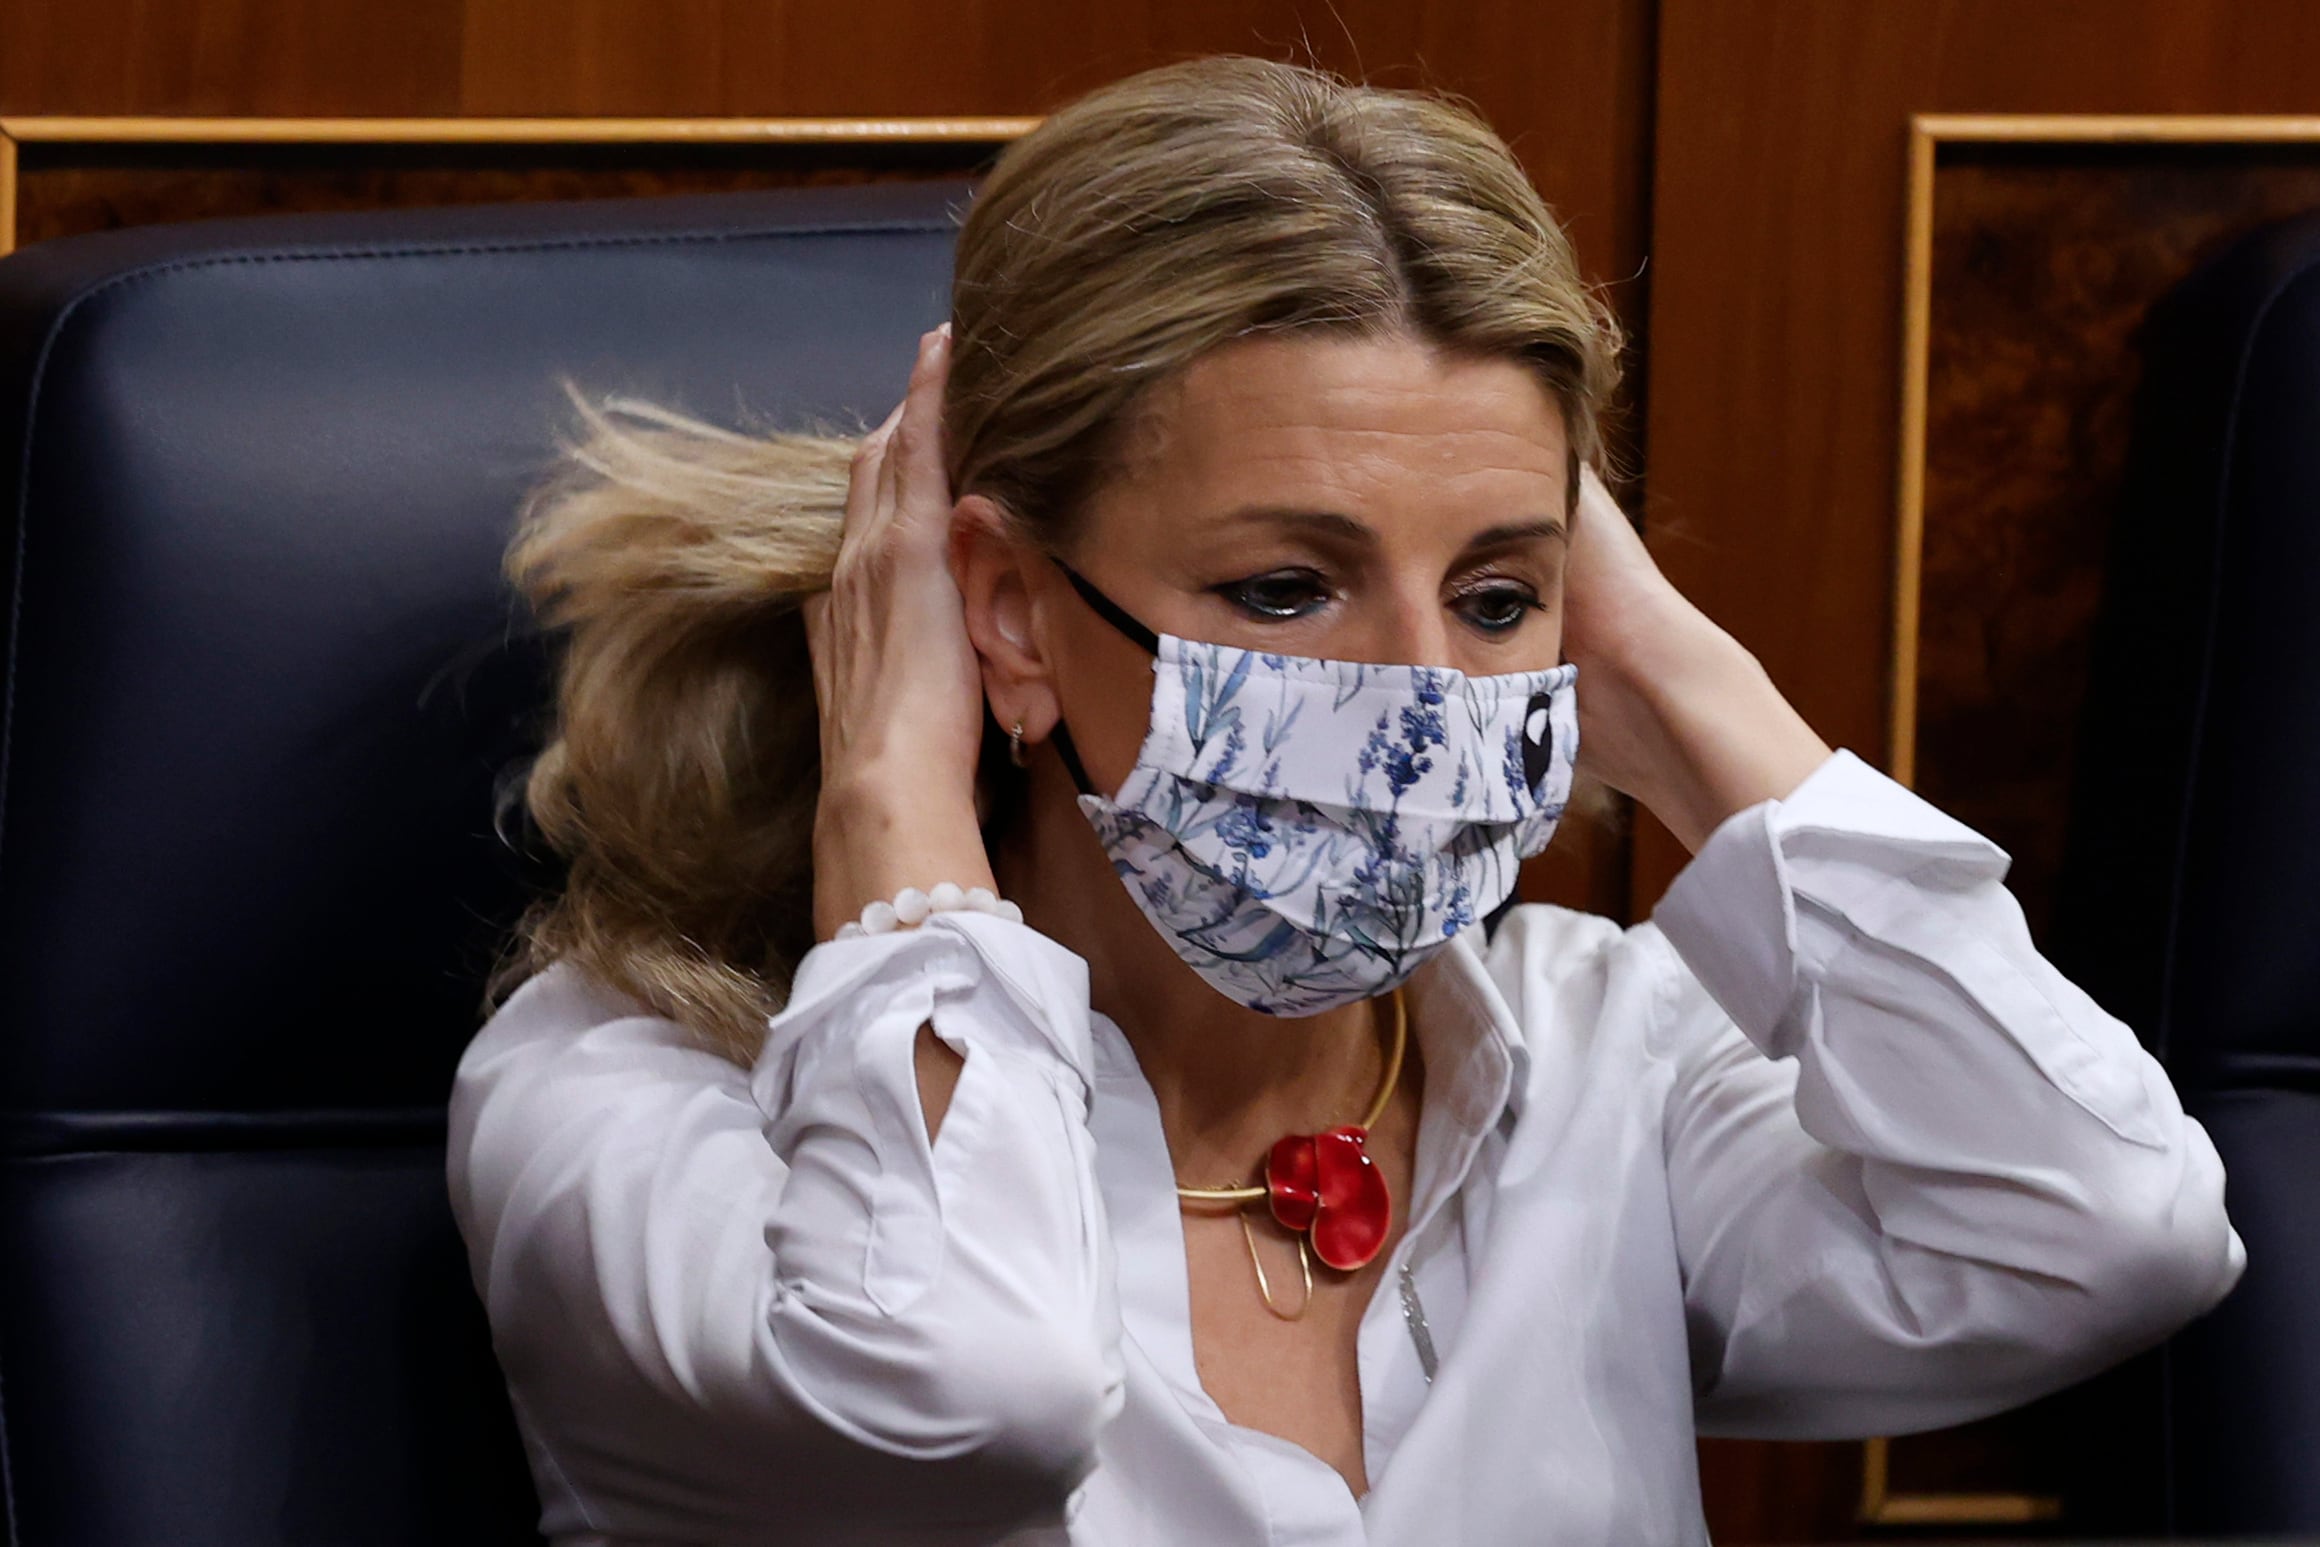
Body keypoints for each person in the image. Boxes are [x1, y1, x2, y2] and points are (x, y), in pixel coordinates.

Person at [447, 56, 2244, 1547]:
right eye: (1289, 590)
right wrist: (898, 823)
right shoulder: (630, 1095)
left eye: (1495, 597)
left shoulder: (1595, 1050)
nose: (1424, 708)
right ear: (1005, 610)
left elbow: (2107, 1221)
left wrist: (1694, 700)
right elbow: (962, 1392)